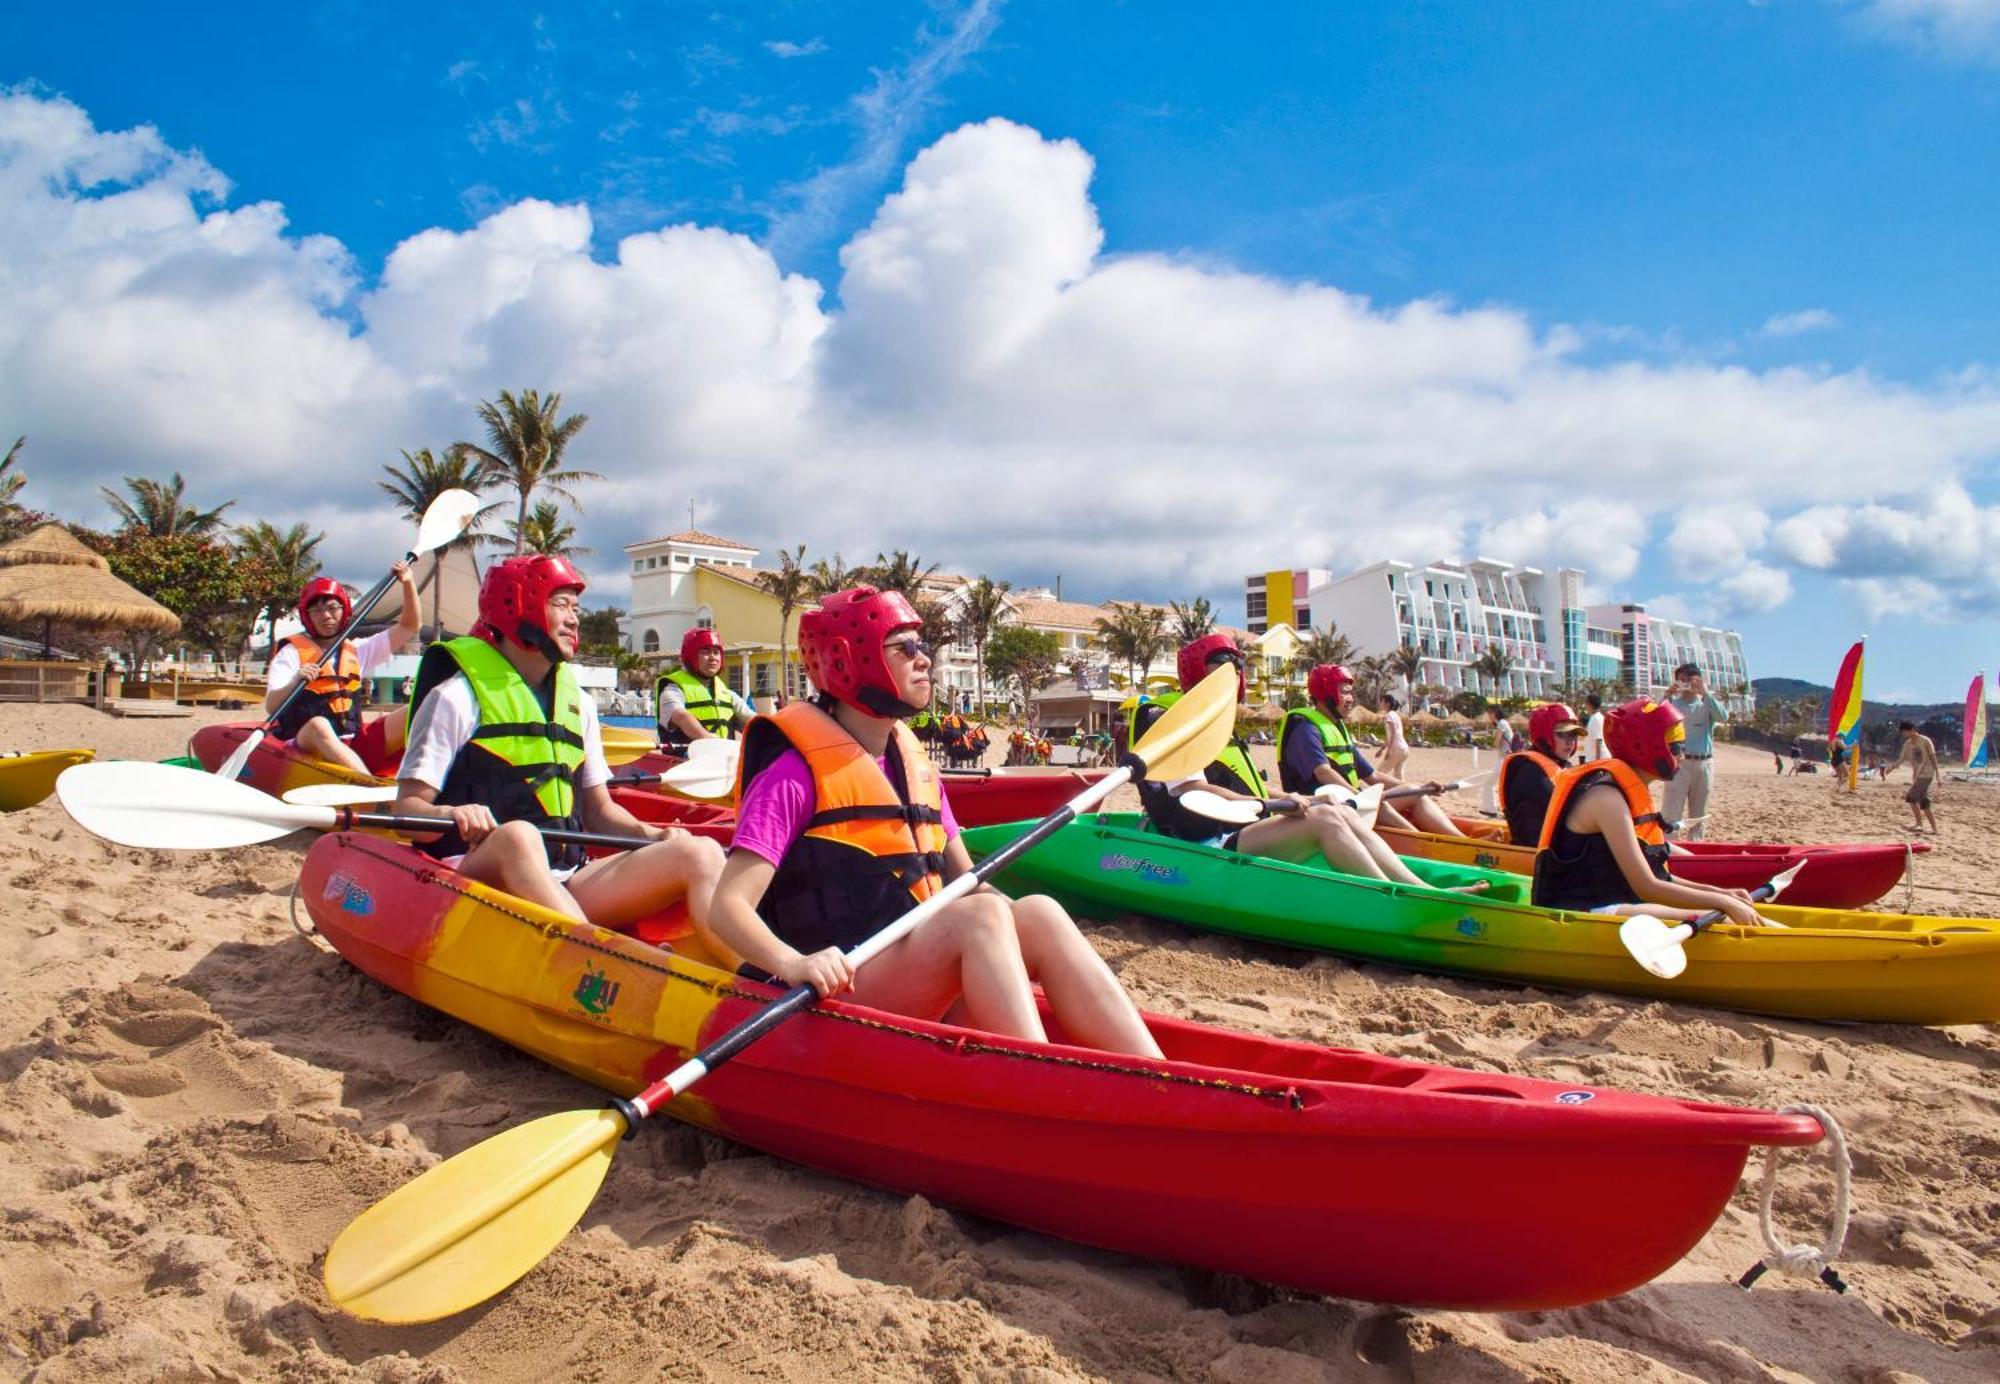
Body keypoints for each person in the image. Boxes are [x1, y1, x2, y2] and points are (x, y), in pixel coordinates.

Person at [704, 586, 1161, 1057]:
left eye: (921, 647)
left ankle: (1154, 1075)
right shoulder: (793, 775)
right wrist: (794, 962)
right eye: (904, 648)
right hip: (831, 989)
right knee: (977, 919)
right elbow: (728, 906)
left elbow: (970, 882)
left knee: (1036, 910)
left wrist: (1011, 921)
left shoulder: (913, 764)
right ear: (848, 659)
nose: (925, 660)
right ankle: (1039, 1078)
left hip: (904, 968)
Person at [391, 555, 726, 935]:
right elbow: (407, 811)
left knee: (698, 853)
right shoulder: (454, 699)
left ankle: (747, 982)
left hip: (567, 878)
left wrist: (654, 836)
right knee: (518, 837)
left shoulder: (577, 703)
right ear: (517, 604)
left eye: (576, 608)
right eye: (560, 604)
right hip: (475, 877)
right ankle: (597, 956)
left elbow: (599, 812)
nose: (574, 619)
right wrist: (452, 814)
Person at [1134, 637, 1470, 891]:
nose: (1233, 673)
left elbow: (1249, 787)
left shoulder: (1215, 722)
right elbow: (1193, 790)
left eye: (1237, 665)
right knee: (1326, 820)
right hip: (1207, 843)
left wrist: (1301, 799)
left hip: (1241, 827)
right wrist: (1273, 805)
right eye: (1222, 664)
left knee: (1337, 810)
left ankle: (1418, 889)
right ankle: (1392, 895)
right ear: (1197, 670)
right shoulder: (1175, 720)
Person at [1531, 698, 1778, 927]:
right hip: (1578, 913)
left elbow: (1658, 876)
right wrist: (1722, 904)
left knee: (1731, 913)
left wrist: (1721, 893)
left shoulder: (1630, 791)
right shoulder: (1607, 799)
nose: (1681, 753)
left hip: (1611, 901)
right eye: (1676, 744)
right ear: (1646, 746)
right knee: (1723, 921)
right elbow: (1647, 886)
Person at [264, 565, 422, 775]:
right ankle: (369, 788)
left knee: (416, 712)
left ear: (344, 610)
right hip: (304, 745)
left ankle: (419, 780)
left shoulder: (357, 650)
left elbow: (409, 626)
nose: (326, 615)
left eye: (332, 608)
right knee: (318, 725)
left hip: (352, 742)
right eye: (317, 611)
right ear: (307, 616)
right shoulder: (291, 653)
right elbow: (271, 706)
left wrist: (408, 582)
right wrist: (296, 680)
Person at [1278, 664, 1467, 836]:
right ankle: (1424, 843)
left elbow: (1372, 775)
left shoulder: (1336, 728)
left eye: (1351, 693)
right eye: (1345, 693)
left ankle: (1461, 841)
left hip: (1349, 803)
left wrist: (1421, 788)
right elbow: (1323, 772)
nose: (1351, 699)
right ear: (1324, 694)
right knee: (1378, 804)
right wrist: (1361, 796)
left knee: (1412, 791)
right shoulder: (1305, 729)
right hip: (1322, 810)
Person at [656, 628, 754, 752]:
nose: (713, 657)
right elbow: (681, 716)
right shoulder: (672, 690)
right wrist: (707, 738)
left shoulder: (728, 695)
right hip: (685, 765)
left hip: (721, 762)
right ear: (691, 655)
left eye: (716, 652)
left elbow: (752, 721)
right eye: (705, 652)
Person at [1499, 702, 1583, 846]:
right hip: (1533, 853)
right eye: (1562, 734)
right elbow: (1570, 810)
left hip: (1554, 849)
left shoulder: (1562, 766)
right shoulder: (1530, 771)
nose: (1570, 741)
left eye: (1574, 734)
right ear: (1544, 734)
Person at [1662, 663, 1727, 840]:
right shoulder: (1672, 704)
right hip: (1679, 763)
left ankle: (1696, 848)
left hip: (1704, 763)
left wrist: (1704, 692)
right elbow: (1656, 719)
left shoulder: (1706, 704)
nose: (1684, 684)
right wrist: (1667, 695)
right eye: (1680, 679)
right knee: (1671, 813)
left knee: (1699, 816)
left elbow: (1723, 717)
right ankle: (1668, 850)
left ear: (1697, 679)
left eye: (1688, 679)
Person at [1891, 720, 1939, 832]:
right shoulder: (1908, 743)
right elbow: (1901, 758)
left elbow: (1933, 757)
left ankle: (1919, 824)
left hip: (1926, 774)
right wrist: (1891, 768)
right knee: (1923, 801)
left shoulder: (1925, 740)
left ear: (1912, 730)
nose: (1904, 735)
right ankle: (1934, 828)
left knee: (1911, 797)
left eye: (1905, 732)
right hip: (1917, 775)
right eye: (1902, 733)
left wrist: (1937, 774)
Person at [1376, 692, 1410, 778]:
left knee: (1379, 774)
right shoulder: (1395, 715)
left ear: (1387, 704)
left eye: (1382, 701)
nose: (1380, 703)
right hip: (1404, 749)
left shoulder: (1389, 716)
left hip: (1397, 749)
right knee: (1398, 776)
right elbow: (1390, 736)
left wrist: (1389, 750)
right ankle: (1405, 791)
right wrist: (1382, 749)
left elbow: (1393, 733)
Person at [1581, 693, 1607, 763]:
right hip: (1594, 759)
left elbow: (1598, 741)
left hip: (1596, 760)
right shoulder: (1597, 717)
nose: (1585, 706)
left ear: (1589, 704)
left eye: (1586, 703)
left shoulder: (1596, 719)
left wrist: (1597, 762)